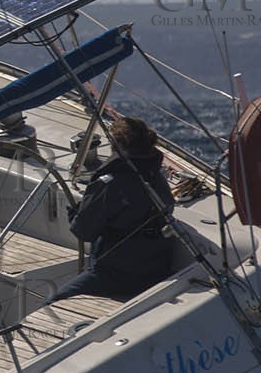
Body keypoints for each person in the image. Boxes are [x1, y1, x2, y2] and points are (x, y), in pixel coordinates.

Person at [51, 117, 177, 302]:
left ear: (116, 145)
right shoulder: (156, 176)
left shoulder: (109, 184)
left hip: (116, 274)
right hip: (157, 270)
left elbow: (83, 231)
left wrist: (75, 214)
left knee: (54, 302)